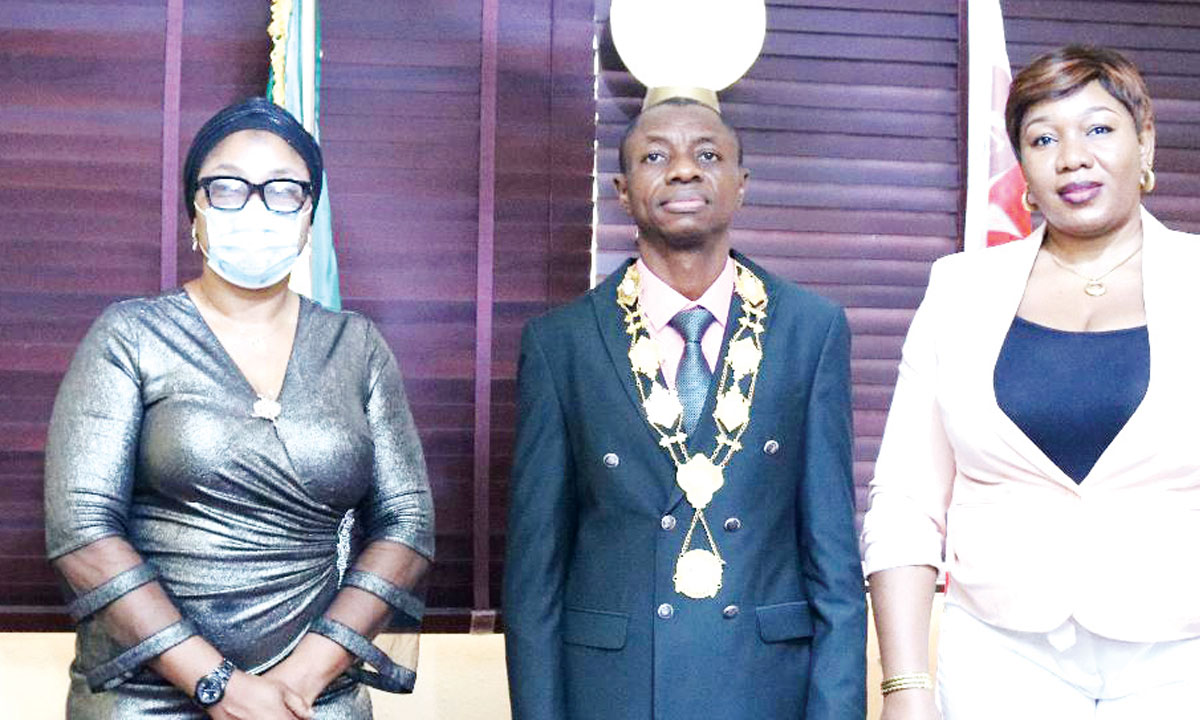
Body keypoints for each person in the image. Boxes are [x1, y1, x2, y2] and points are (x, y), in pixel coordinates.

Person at [862, 45, 1200, 719]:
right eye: (1044, 138)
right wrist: (905, 688)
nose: (1073, 157)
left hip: (1197, 659)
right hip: (1002, 657)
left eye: (1099, 128)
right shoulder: (959, 291)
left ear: (1145, 143)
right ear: (1023, 167)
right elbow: (907, 502)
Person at [44, 97, 435, 719]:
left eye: (284, 190)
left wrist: (299, 682)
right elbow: (83, 530)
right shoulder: (130, 336)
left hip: (314, 698)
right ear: (194, 212)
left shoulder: (357, 346)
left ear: (309, 216)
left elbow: (406, 525)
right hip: (146, 697)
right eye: (227, 188)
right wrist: (220, 687)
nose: (256, 209)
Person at [502, 97, 866, 720]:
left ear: (741, 184)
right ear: (622, 191)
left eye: (707, 154)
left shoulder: (811, 329)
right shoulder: (561, 343)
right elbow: (535, 577)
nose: (683, 170)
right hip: (614, 693)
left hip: (763, 687)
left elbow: (833, 560)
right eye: (654, 156)